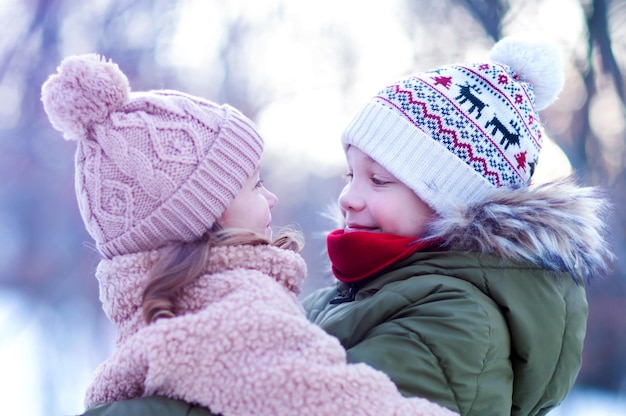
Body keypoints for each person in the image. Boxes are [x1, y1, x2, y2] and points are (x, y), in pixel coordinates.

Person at [41, 54, 458, 416]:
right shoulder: (232, 307)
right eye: (256, 185)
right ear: (209, 214)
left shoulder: (160, 306)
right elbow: (324, 399)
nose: (272, 198)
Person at [302, 36, 615, 416]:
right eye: (349, 175)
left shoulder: (455, 318)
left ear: (450, 203)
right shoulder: (365, 288)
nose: (347, 197)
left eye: (379, 180)